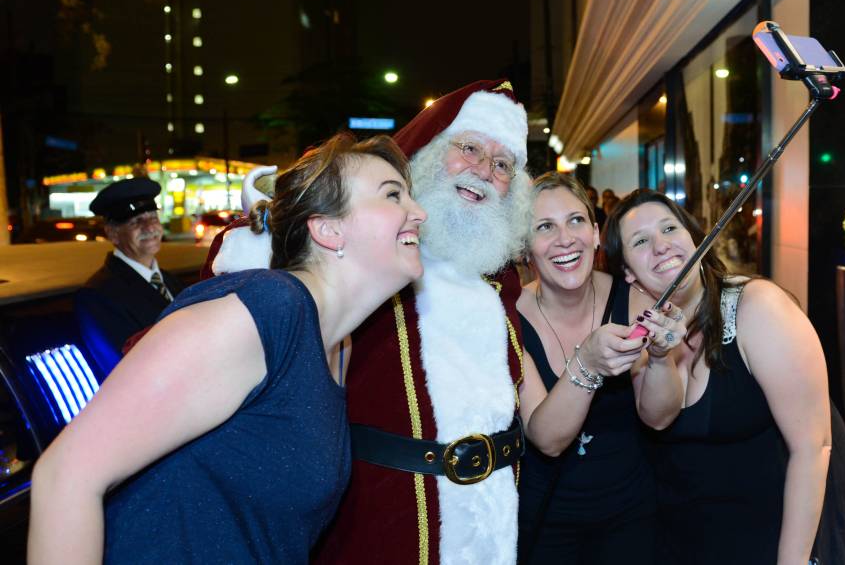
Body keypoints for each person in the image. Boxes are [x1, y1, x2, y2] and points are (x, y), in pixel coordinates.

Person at [206, 80, 638, 564]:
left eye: (502, 165)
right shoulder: (369, 256)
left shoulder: (500, 283)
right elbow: (271, 275)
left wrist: (591, 362)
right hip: (381, 525)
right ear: (430, 152)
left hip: (493, 529)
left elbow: (545, 431)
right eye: (469, 148)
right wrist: (270, 221)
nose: (483, 171)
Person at [28, 133, 427, 563]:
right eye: (393, 195)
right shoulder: (266, 310)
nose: (419, 213)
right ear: (328, 229)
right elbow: (66, 475)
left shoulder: (339, 346)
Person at [604, 188, 837, 565]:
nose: (661, 246)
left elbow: (813, 447)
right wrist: (658, 356)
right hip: (676, 545)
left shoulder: (758, 307)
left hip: (765, 543)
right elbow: (654, 417)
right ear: (628, 272)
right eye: (641, 241)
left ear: (695, 238)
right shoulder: (636, 332)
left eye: (670, 229)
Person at [516, 173, 684, 564]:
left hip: (631, 516)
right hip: (543, 522)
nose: (565, 238)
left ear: (594, 233)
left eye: (576, 221)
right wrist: (587, 363)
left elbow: (658, 418)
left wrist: (661, 356)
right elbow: (547, 438)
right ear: (526, 249)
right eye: (545, 227)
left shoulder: (635, 300)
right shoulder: (509, 317)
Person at [74, 177, 185, 375]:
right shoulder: (97, 296)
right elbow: (126, 370)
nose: (150, 228)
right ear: (113, 234)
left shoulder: (171, 281)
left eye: (153, 218)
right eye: (136, 222)